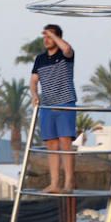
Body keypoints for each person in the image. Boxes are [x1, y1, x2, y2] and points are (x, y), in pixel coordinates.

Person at [31, 23, 77, 193]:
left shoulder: (66, 54)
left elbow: (67, 49)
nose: (46, 40)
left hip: (65, 103)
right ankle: (54, 183)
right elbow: (34, 80)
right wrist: (34, 94)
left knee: (65, 142)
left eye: (49, 36)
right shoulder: (40, 59)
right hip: (47, 105)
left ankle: (69, 182)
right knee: (51, 144)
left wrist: (56, 37)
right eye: (45, 37)